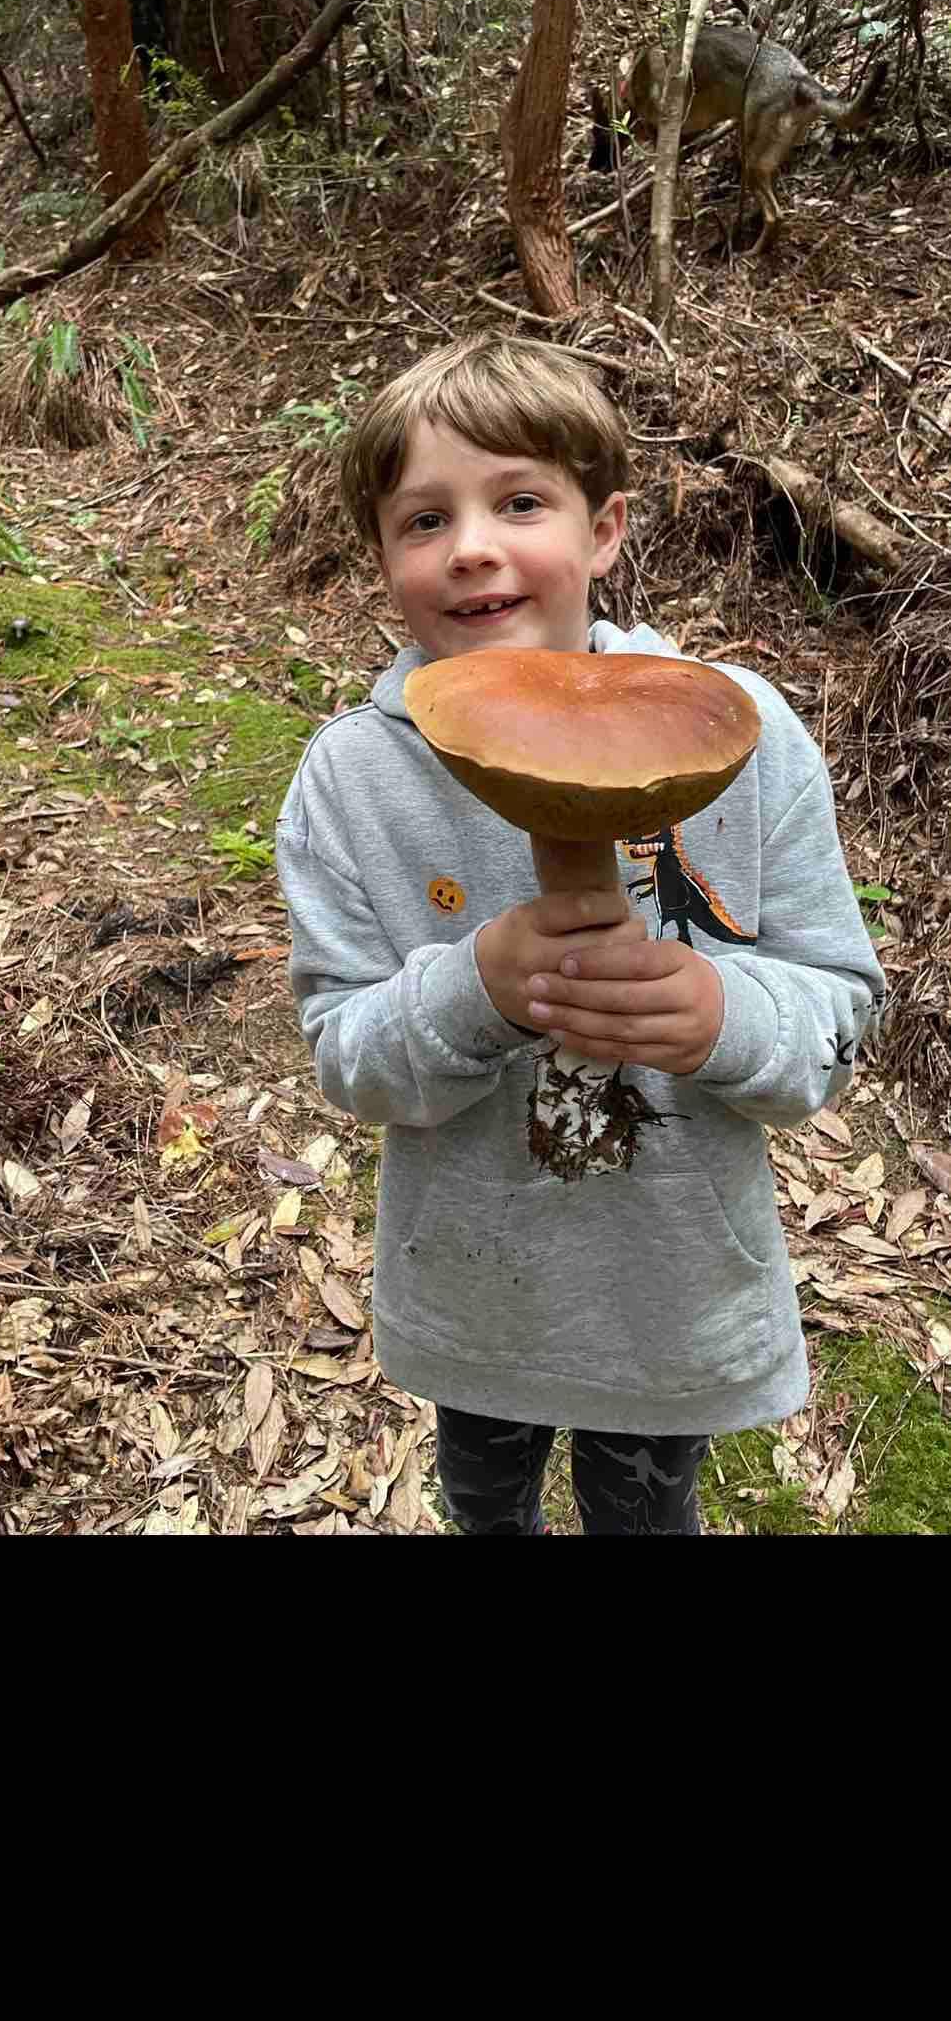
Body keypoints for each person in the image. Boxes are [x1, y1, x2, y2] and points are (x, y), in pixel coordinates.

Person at [274, 334, 885, 1535]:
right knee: (486, 1510)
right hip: (474, 1290)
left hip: (670, 1291)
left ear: (603, 530)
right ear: (385, 561)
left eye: (519, 502)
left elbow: (838, 1004)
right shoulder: (352, 781)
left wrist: (728, 1017)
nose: (475, 547)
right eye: (423, 520)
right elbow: (346, 1053)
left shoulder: (740, 731)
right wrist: (473, 993)